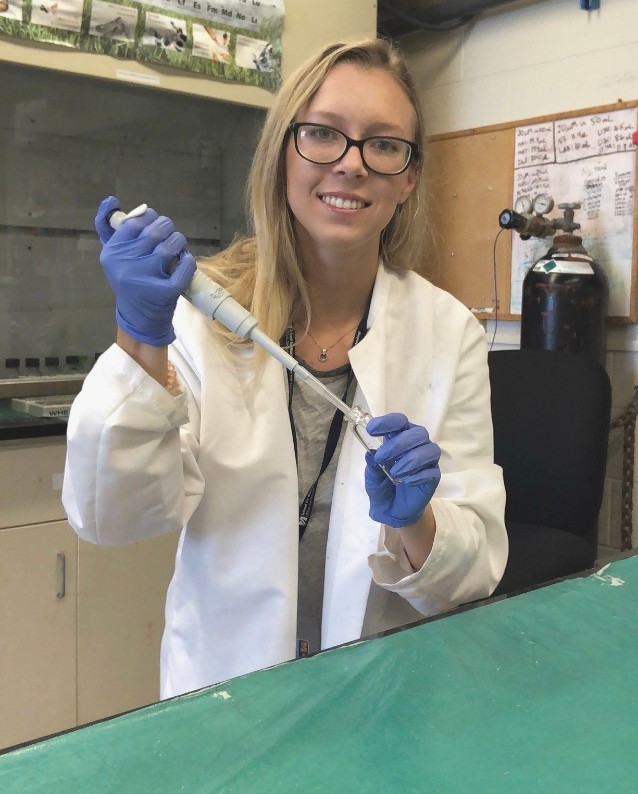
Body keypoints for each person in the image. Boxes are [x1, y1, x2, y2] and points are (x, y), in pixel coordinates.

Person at [63, 37, 508, 699]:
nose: (352, 164)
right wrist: (139, 338)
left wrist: (416, 522)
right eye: (323, 134)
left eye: (384, 144)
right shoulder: (202, 317)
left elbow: (473, 572)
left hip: (380, 694)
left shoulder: (448, 332)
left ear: (408, 177)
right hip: (228, 695)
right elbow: (114, 516)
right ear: (282, 153)